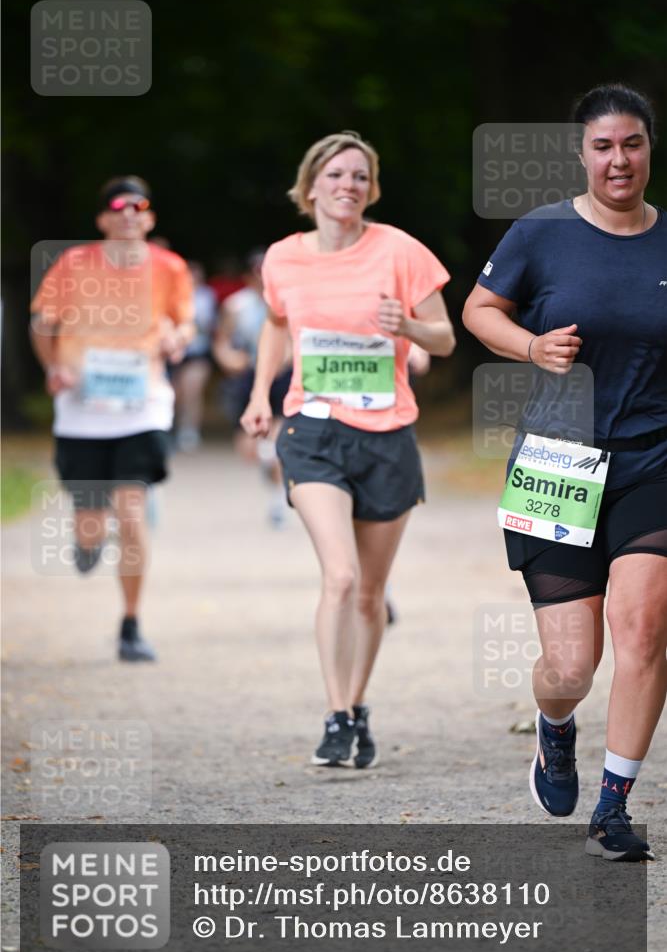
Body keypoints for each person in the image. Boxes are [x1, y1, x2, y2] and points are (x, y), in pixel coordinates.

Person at [463, 84, 666, 861]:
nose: (619, 159)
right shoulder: (539, 232)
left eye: (632, 143)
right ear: (582, 154)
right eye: (603, 146)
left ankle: (612, 806)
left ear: (649, 148)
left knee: (642, 629)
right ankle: (554, 726)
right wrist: (530, 346)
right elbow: (479, 310)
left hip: (652, 457)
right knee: (570, 666)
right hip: (556, 461)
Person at [241, 131, 456, 767]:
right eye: (336, 175)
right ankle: (335, 717)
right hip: (313, 430)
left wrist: (408, 326)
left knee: (369, 594)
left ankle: (358, 705)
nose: (348, 186)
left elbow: (443, 338)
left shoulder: (400, 251)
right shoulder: (284, 257)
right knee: (339, 575)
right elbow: (276, 326)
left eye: (360, 177)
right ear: (312, 188)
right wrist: (259, 394)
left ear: (373, 189)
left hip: (387, 435)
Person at [30, 175, 194, 662]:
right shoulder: (73, 263)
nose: (128, 213)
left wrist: (176, 339)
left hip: (142, 405)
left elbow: (184, 322)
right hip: (82, 409)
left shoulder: (170, 267)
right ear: (102, 218)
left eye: (138, 205)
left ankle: (130, 623)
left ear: (149, 217)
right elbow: (42, 322)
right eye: (117, 206)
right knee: (91, 524)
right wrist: (53, 366)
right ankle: (87, 541)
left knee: (131, 511)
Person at [214, 250, 292, 526]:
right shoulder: (236, 306)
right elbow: (221, 343)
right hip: (248, 375)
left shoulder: (292, 303)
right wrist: (230, 359)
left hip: (283, 376)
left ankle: (278, 500)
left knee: (280, 440)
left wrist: (283, 360)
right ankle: (268, 463)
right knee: (249, 447)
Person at [172, 261, 218, 451]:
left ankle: (189, 430)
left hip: (198, 352)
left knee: (192, 391)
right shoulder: (173, 294)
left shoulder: (207, 296)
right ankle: (171, 428)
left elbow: (211, 325)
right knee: (176, 393)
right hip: (175, 352)